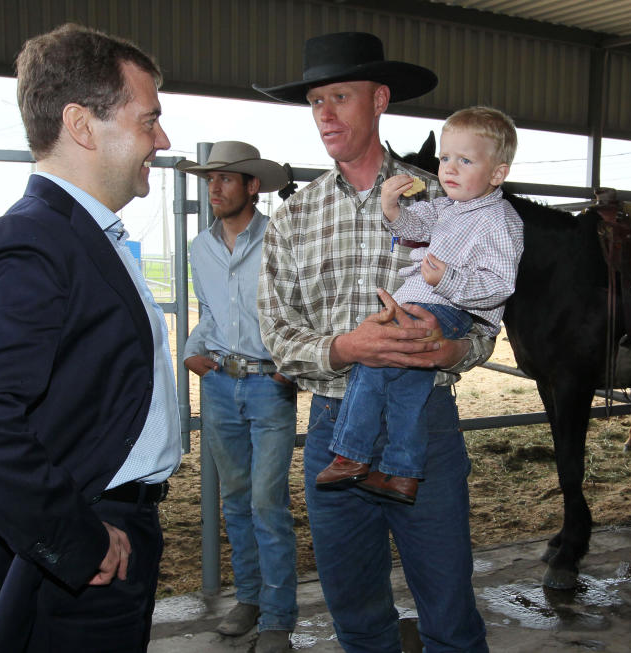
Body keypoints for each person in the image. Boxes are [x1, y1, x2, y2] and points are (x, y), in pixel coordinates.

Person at [0, 23, 181, 653]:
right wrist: (76, 537)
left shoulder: (86, 236)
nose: (162, 139)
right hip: (86, 549)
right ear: (83, 125)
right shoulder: (34, 241)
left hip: (108, 531)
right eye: (149, 120)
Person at [254, 31, 494, 652]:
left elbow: (487, 322)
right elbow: (278, 334)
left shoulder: (445, 200)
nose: (326, 114)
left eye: (340, 96)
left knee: (450, 614)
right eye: (314, 101)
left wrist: (452, 350)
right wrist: (345, 349)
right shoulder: (294, 216)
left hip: (425, 427)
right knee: (356, 616)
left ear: (380, 99)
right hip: (334, 429)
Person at [315, 107, 524, 504]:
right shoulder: (447, 207)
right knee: (409, 389)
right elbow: (414, 228)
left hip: (447, 308)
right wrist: (392, 208)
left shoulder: (501, 220)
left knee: (372, 363)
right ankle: (402, 473)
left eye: (465, 160)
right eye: (445, 158)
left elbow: (500, 286)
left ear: (497, 174)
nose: (449, 169)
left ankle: (350, 454)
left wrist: (446, 278)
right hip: (427, 303)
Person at [175, 141, 297, 653]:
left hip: (270, 386)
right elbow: (210, 311)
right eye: (210, 180)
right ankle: (248, 597)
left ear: (252, 186)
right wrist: (190, 351)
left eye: (226, 178)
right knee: (236, 500)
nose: (214, 188)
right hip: (221, 385)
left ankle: (277, 615)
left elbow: (300, 308)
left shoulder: (281, 240)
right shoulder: (199, 248)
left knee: (268, 502)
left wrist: (291, 367)